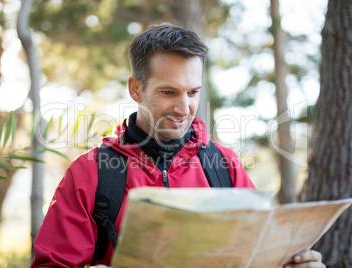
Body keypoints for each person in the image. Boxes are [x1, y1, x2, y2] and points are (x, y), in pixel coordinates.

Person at [31, 24, 325, 268]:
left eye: (193, 92)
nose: (184, 108)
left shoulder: (225, 165)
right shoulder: (90, 172)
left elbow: (257, 257)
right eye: (169, 92)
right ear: (136, 88)